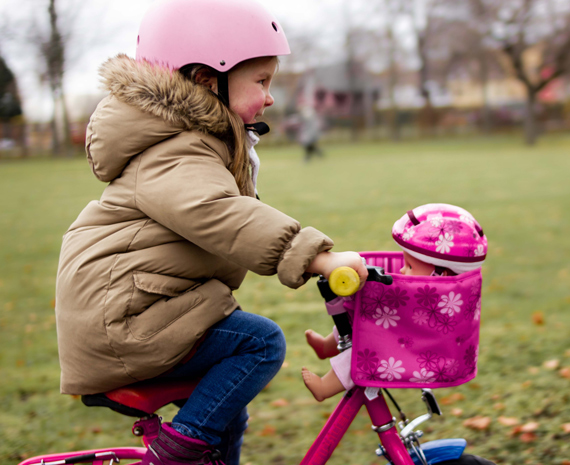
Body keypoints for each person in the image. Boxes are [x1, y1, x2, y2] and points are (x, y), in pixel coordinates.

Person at [54, 1, 368, 464]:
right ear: (206, 80)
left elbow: (232, 216)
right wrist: (317, 257)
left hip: (140, 307)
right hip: (123, 319)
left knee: (228, 414)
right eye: (261, 81)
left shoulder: (186, 142)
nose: (270, 96)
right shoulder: (174, 149)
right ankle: (176, 453)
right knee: (260, 342)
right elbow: (220, 213)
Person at [302, 203, 487, 401]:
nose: (401, 270)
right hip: (401, 331)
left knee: (365, 351)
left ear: (441, 274)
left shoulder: (440, 302)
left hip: (408, 343)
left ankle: (325, 388)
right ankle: (325, 347)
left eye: (409, 266)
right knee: (355, 323)